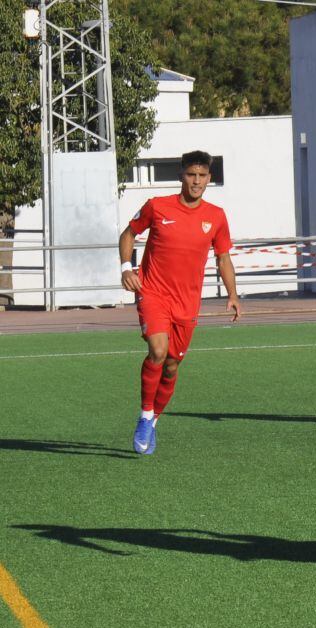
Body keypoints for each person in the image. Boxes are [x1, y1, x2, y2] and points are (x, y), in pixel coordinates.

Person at [120, 150, 241, 455]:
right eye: (191, 175)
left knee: (172, 366)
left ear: (209, 179)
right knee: (158, 351)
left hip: (187, 303)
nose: (196, 181)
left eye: (202, 176)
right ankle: (146, 416)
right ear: (181, 176)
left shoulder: (216, 216)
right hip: (153, 293)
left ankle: (154, 419)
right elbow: (129, 233)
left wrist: (233, 294)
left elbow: (223, 257)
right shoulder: (157, 207)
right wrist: (125, 267)